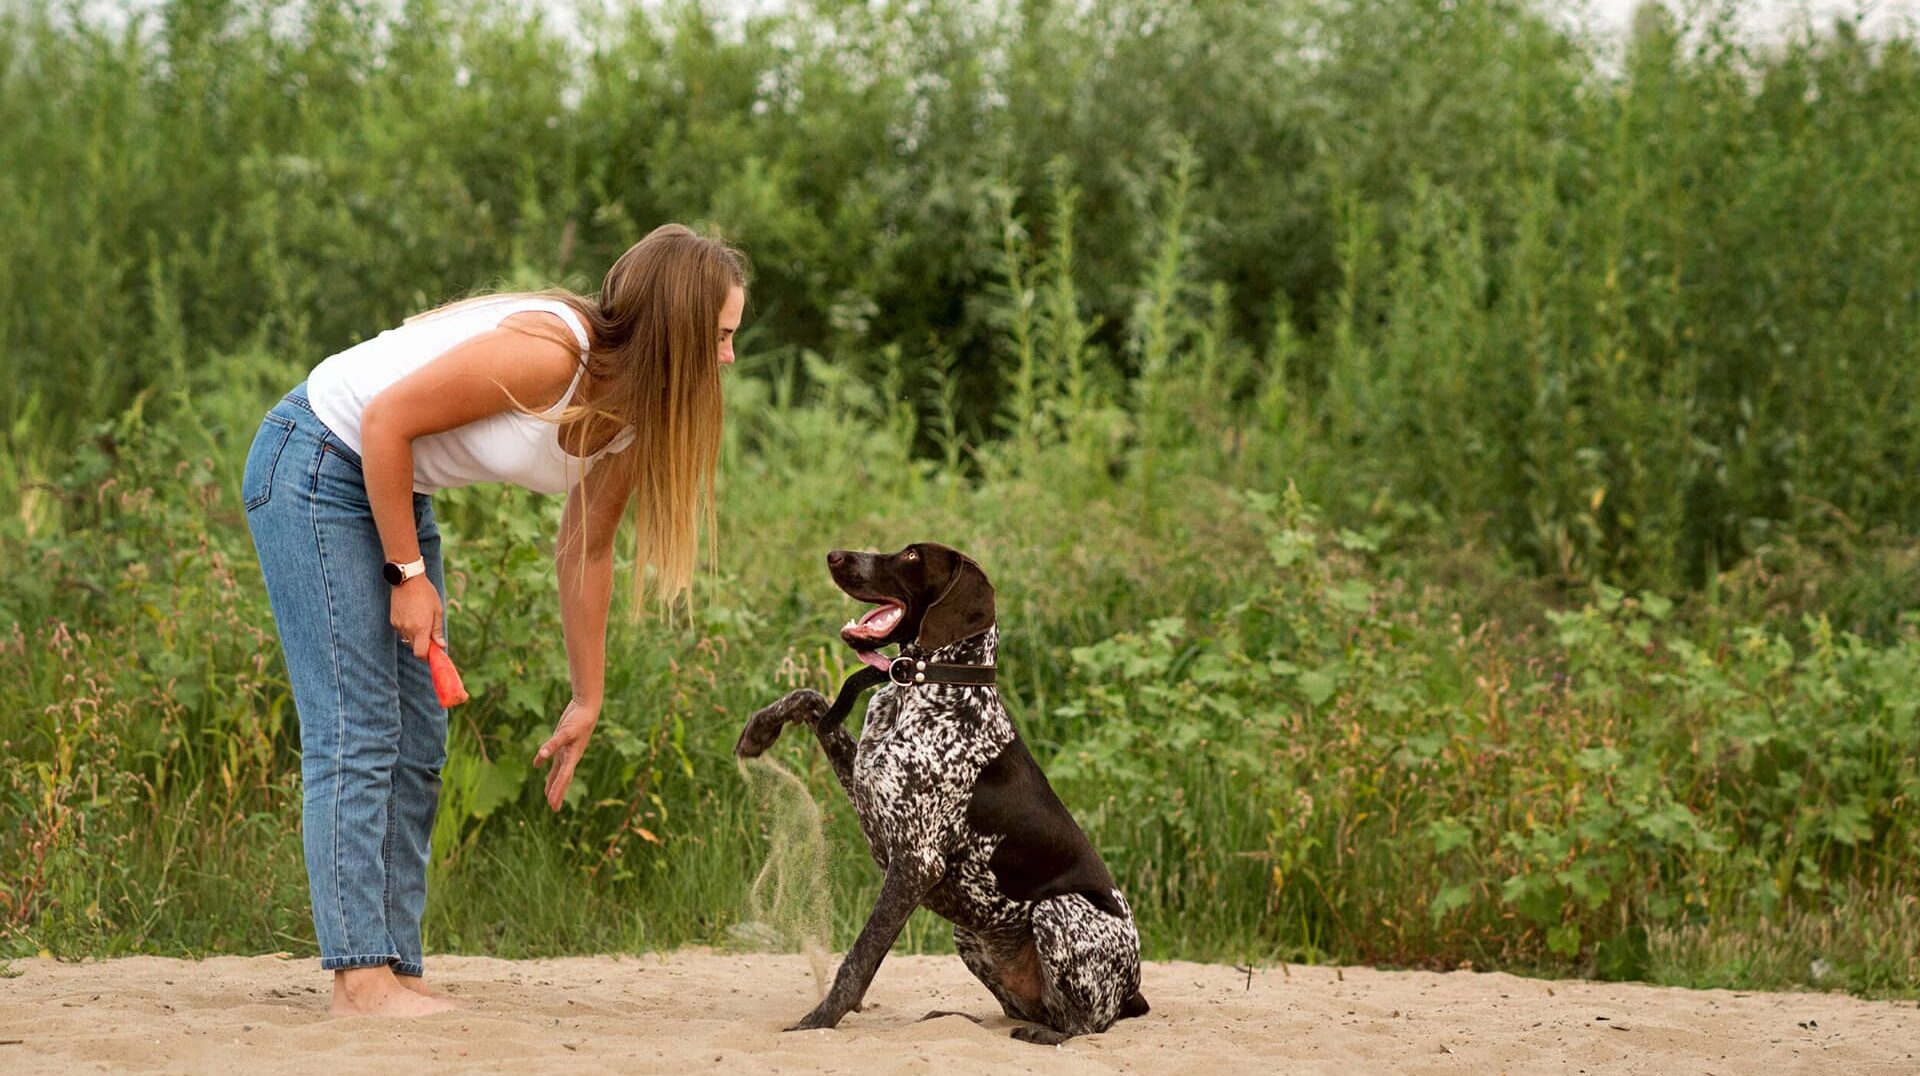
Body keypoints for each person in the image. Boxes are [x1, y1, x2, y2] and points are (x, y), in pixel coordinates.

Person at [241, 223, 746, 1016]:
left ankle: (395, 965)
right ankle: (360, 979)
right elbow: (384, 423)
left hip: (390, 487)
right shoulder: (553, 352)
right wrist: (407, 575)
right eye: (718, 337)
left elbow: (586, 546)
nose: (727, 359)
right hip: (316, 462)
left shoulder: (634, 414)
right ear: (677, 327)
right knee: (361, 725)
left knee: (418, 735)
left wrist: (588, 697)